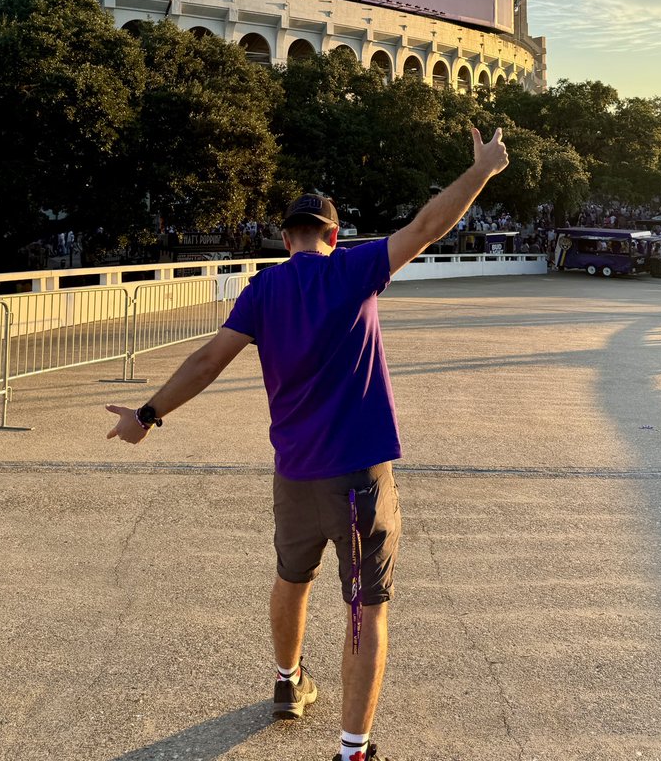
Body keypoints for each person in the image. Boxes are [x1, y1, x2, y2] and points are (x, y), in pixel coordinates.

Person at [106, 126, 509, 760]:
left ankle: (289, 682)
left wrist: (146, 413)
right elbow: (429, 225)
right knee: (365, 606)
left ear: (284, 236)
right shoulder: (353, 270)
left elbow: (209, 360)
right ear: (333, 236)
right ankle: (352, 749)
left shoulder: (264, 289)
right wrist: (483, 169)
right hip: (357, 478)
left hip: (293, 474)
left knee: (292, 577)